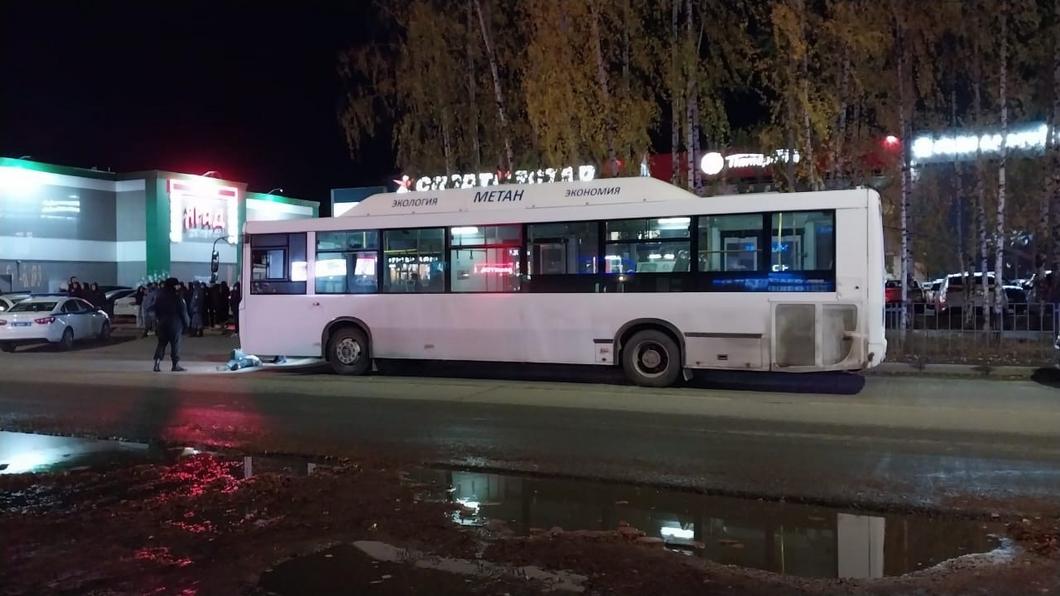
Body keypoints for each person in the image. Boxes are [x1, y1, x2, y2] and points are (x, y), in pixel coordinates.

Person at [150, 278, 190, 372]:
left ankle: (157, 364)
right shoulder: (177, 297)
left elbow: (156, 310)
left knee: (161, 343)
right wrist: (187, 324)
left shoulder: (160, 296)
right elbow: (183, 312)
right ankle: (175, 365)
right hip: (175, 323)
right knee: (175, 344)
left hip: (162, 323)